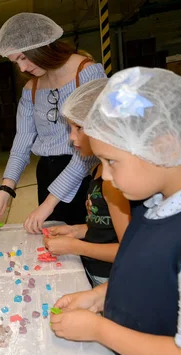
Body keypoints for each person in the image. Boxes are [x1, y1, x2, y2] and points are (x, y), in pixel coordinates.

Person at [50, 67, 181, 355]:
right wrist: (100, 296)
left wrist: (99, 330)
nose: (105, 176)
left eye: (112, 161)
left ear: (164, 147)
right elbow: (150, 279)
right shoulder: (154, 204)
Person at [0, 12, 107, 233]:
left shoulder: (87, 73)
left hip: (82, 173)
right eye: (16, 62)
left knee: (85, 238)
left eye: (23, 57)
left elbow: (90, 149)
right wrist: (5, 192)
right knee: (55, 242)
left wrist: (49, 204)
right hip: (47, 174)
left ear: (41, 46)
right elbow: (21, 144)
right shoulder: (30, 89)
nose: (22, 69)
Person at [43, 78, 131, 286]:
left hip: (113, 278)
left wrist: (75, 247)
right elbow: (105, 226)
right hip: (95, 270)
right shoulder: (98, 169)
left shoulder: (112, 183)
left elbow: (129, 252)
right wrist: (77, 231)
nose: (72, 138)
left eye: (78, 128)